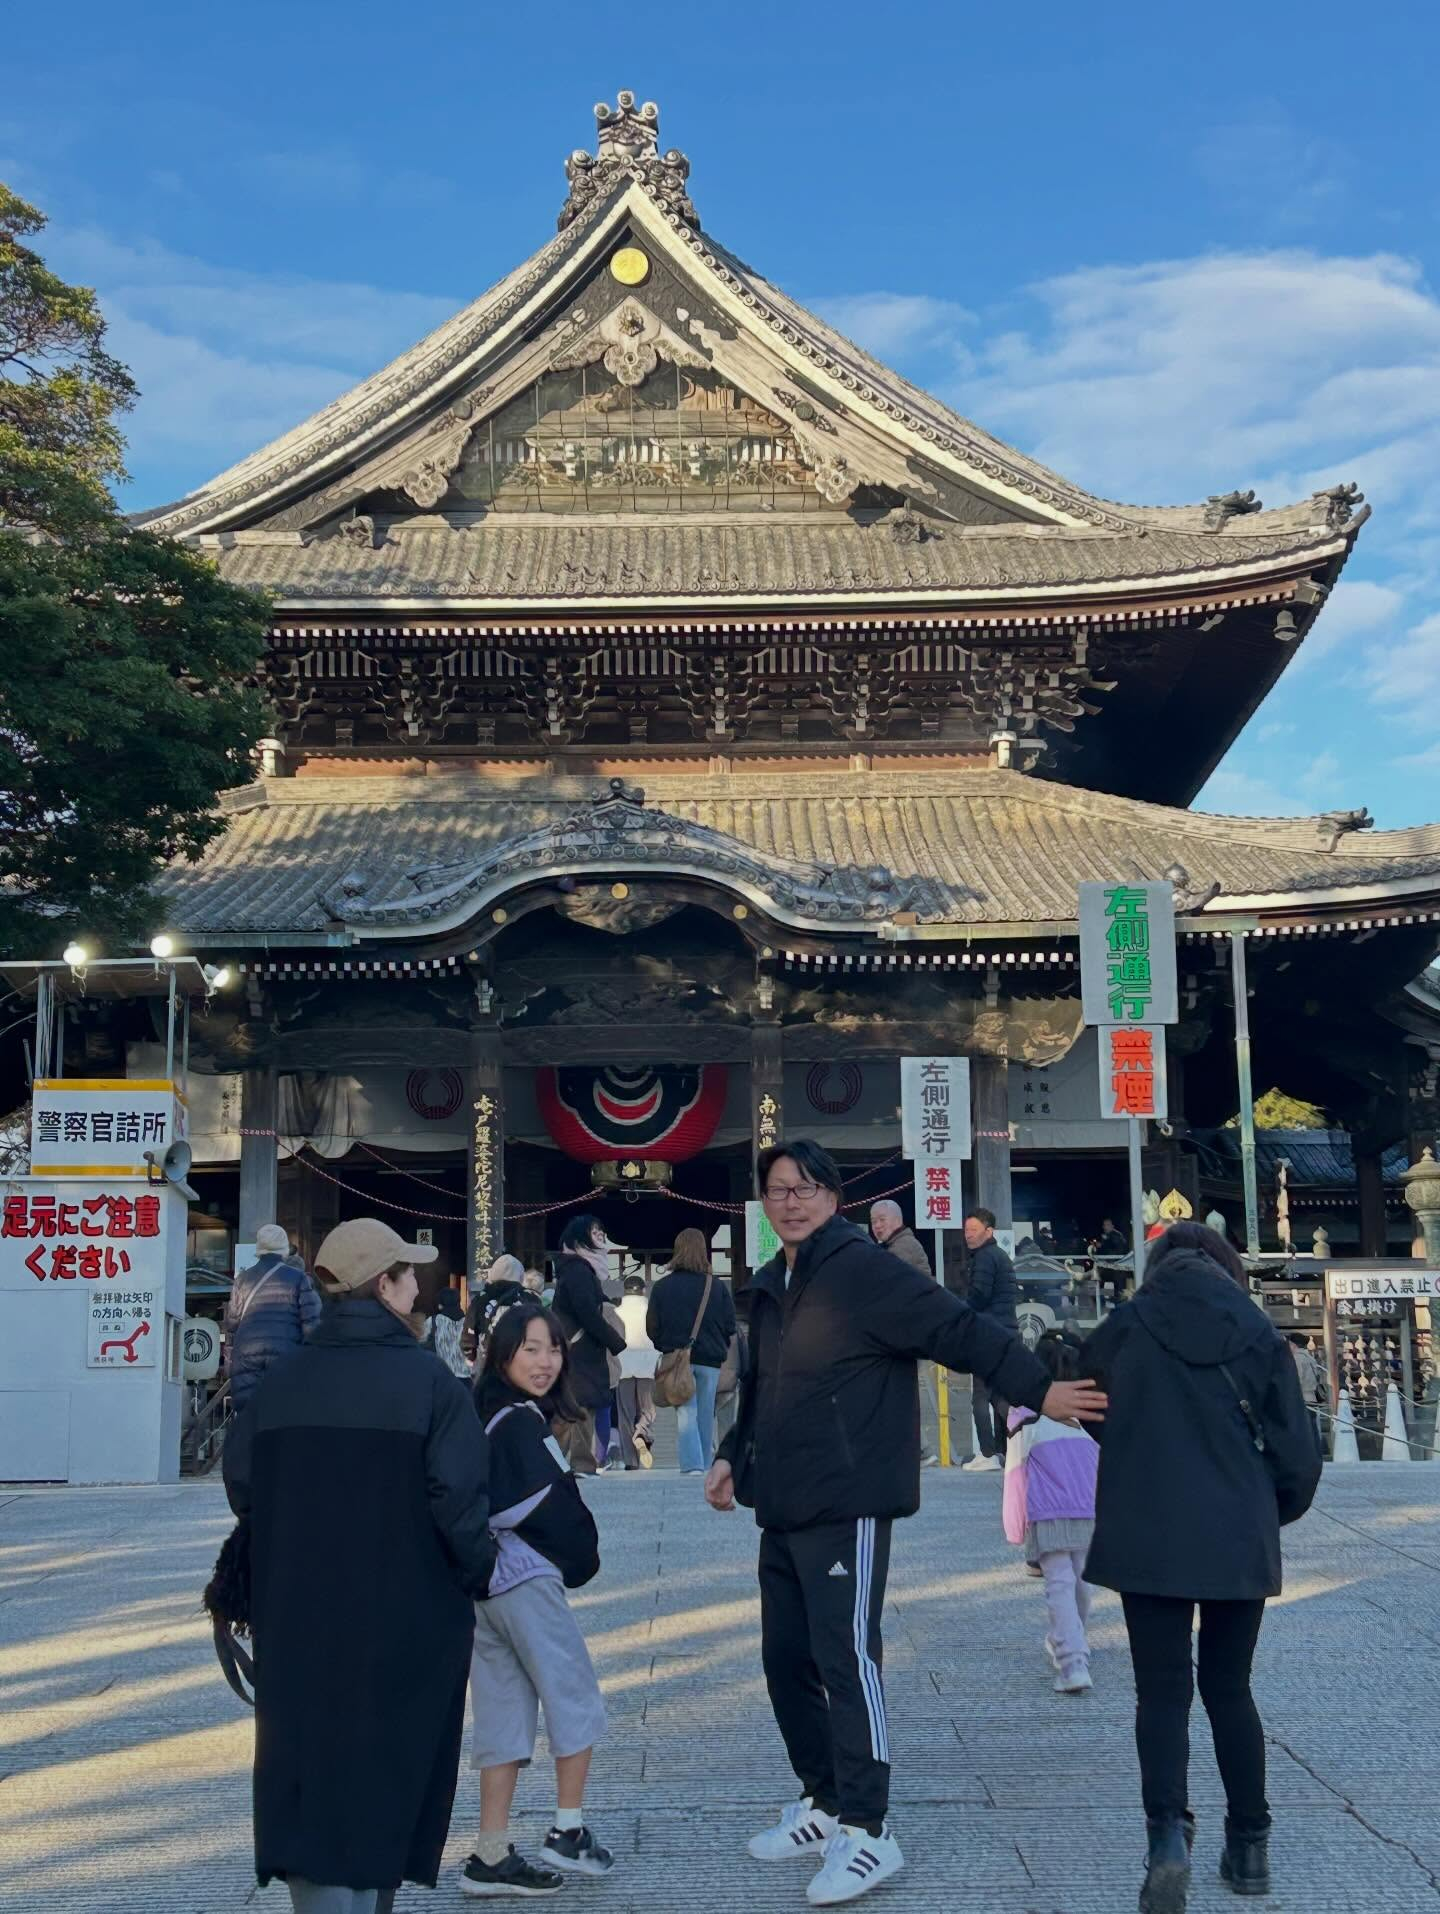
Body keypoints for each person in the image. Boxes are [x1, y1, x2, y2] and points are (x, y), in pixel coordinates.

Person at [707, 1140, 1105, 1906]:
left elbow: (957, 1328)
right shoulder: (774, 1281)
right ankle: (822, 1801)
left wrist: (1037, 1390)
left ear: (834, 1195)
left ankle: (869, 1828)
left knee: (846, 1657)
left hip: (846, 1498)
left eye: (806, 1187)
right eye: (778, 1190)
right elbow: (762, 1384)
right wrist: (733, 1452)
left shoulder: (865, 1271)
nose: (790, 1201)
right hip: (783, 1500)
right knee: (784, 1657)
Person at [222, 1218, 494, 1914]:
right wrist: (480, 1572)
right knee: (389, 1771)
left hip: (297, 1617)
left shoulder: (282, 1384)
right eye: (409, 1273)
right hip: (407, 1615)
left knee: (308, 1772)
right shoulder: (432, 1385)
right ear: (386, 1287)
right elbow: (459, 1506)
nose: (418, 1283)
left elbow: (243, 1489)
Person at [1079, 1221, 1321, 1909]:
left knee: (1161, 1694)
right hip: (1235, 1537)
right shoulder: (1258, 1332)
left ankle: (1167, 1839)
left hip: (1148, 1534)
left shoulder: (1126, 1325)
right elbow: (1299, 1457)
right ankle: (1249, 1849)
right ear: (1227, 1268)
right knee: (1229, 1689)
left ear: (1158, 1266)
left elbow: (1091, 1407)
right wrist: (1265, 1514)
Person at [462, 1303, 612, 1897]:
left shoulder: (480, 1412)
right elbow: (559, 1515)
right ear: (502, 1354)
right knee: (573, 1695)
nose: (545, 1361)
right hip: (524, 1580)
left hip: (481, 1584)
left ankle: (490, 1850)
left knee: (502, 1712)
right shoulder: (521, 1422)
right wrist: (582, 1561)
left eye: (552, 1348)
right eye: (529, 1348)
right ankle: (568, 1830)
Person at [1002, 1330, 1100, 1696]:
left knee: (1059, 1583)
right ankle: (1073, 1638)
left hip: (1048, 1512)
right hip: (1090, 1509)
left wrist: (1016, 1529)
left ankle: (1072, 1661)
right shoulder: (1092, 1413)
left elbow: (1015, 1476)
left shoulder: (1024, 1415)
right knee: (1081, 1582)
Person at [648, 1228, 736, 1477]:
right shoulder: (716, 1287)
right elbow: (730, 1325)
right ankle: (705, 1463)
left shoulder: (663, 1287)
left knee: (686, 1410)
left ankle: (692, 1465)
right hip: (710, 1359)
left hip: (676, 1359)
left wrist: (665, 1346)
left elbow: (652, 1326)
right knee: (706, 1411)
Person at [550, 1216, 625, 1477]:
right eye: (594, 1232)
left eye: (600, 1230)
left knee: (579, 1407)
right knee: (577, 1407)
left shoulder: (578, 1270)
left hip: (580, 1352)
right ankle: (573, 1464)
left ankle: (577, 1464)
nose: (600, 1236)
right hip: (579, 1353)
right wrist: (615, 1342)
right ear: (579, 1238)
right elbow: (587, 1313)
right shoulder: (578, 1271)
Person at [871, 1199, 941, 1466]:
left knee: (904, 1391)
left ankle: (920, 1450)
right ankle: (916, 1449)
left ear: (896, 1220)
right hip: (908, 1334)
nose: (877, 1226)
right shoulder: (894, 1246)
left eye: (881, 1219)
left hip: (914, 1334)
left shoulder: (903, 1248)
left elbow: (877, 1282)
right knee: (897, 1390)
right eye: (873, 1221)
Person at [224, 1224, 321, 1414]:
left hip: (247, 1356)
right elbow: (312, 1325)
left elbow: (233, 1322)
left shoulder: (242, 1280)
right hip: (286, 1355)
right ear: (284, 1248)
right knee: (283, 1415)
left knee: (251, 1418)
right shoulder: (299, 1278)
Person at [962, 1207, 1019, 1473]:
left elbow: (979, 1296)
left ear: (989, 1231)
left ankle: (986, 1453)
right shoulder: (1000, 1256)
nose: (968, 1236)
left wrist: (959, 1314)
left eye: (973, 1231)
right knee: (999, 1395)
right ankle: (1006, 1449)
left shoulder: (984, 1258)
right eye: (966, 1231)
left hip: (988, 1334)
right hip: (1006, 1333)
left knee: (981, 1395)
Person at [615, 1271, 658, 1469]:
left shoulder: (616, 1311)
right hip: (648, 1367)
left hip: (622, 1367)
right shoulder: (651, 1310)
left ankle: (630, 1462)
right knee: (648, 1410)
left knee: (625, 1414)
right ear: (644, 1291)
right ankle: (641, 1431)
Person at [462, 1253, 529, 1364]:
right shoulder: (528, 1298)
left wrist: (470, 1356)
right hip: (522, 1360)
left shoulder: (480, 1299)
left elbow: (469, 1332)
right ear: (520, 1276)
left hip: (489, 1359)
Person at [430, 1286, 471, 1379]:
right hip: (467, 1378)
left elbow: (418, 1340)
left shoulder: (433, 1322)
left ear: (440, 1305)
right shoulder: (469, 1322)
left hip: (443, 1378)